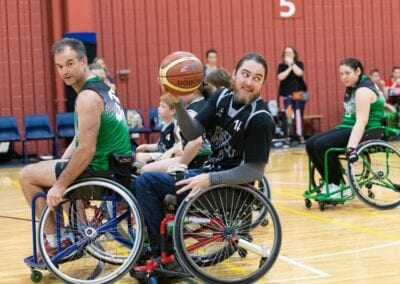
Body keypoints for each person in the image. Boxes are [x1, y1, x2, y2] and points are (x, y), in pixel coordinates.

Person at [131, 53, 275, 258]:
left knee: (147, 182)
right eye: (245, 74)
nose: (249, 82)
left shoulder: (261, 119)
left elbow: (255, 170)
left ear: (262, 83)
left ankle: (162, 252)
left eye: (257, 78)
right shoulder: (220, 98)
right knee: (138, 182)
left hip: (230, 190)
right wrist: (178, 103)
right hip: (207, 174)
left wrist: (210, 179)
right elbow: (191, 133)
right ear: (234, 75)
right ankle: (163, 244)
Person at [18, 38, 131, 257]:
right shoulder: (102, 89)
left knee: (27, 175)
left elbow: (86, 150)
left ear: (83, 61)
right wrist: (61, 166)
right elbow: (81, 139)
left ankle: (55, 240)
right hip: (117, 167)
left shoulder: (88, 98)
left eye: (70, 64)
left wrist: (60, 185)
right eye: (59, 66)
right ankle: (64, 235)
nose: (64, 72)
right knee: (48, 170)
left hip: (102, 172)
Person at [306, 57, 385, 197]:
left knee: (321, 145)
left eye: (347, 73)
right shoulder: (353, 87)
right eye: (341, 74)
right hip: (348, 127)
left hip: (365, 130)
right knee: (310, 143)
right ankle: (330, 182)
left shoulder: (363, 90)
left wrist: (351, 148)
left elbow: (361, 121)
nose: (343, 77)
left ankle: (338, 185)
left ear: (358, 71)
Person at [140, 68, 232, 173]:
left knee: (145, 170)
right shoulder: (204, 103)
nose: (178, 92)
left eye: (181, 89)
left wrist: (181, 165)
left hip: (198, 159)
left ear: (193, 90)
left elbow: (196, 141)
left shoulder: (194, 109)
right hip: (202, 156)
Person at [135, 94, 181, 166]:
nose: (158, 108)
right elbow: (159, 145)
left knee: (141, 157)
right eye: (159, 105)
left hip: (169, 157)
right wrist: (145, 146)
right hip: (161, 154)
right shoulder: (164, 125)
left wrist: (171, 152)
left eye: (163, 106)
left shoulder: (175, 126)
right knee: (140, 153)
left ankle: (144, 174)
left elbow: (182, 143)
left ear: (172, 111)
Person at [277, 46, 307, 145]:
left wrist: (292, 64)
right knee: (287, 115)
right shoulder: (281, 66)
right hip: (285, 94)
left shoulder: (299, 64)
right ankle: (287, 136)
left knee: (299, 114)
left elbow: (299, 73)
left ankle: (300, 135)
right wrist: (289, 67)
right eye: (286, 53)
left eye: (290, 53)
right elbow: (281, 77)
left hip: (300, 93)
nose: (288, 55)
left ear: (294, 54)